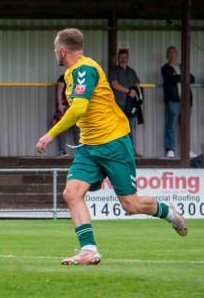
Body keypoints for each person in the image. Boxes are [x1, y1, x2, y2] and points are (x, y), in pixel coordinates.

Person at [35, 28, 188, 266]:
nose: (54, 51)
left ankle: (167, 211)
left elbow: (77, 109)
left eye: (55, 47)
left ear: (63, 49)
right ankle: (88, 250)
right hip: (89, 146)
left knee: (131, 205)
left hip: (113, 142)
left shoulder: (85, 69)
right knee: (71, 193)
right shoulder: (70, 73)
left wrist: (49, 135)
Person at [108, 47, 143, 158]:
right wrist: (129, 91)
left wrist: (134, 90)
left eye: (125, 57)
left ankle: (129, 150)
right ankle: (121, 151)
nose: (123, 59)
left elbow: (137, 83)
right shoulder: (114, 71)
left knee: (130, 128)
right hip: (119, 103)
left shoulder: (132, 72)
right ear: (118, 59)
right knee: (120, 128)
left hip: (131, 104)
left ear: (128, 59)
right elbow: (114, 84)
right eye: (121, 57)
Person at [161, 46, 195, 158]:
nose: (172, 54)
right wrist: (183, 77)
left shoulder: (182, 67)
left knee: (185, 126)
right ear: (167, 56)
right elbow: (171, 79)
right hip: (173, 101)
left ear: (177, 55)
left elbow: (192, 79)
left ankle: (187, 150)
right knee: (171, 125)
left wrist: (179, 77)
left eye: (174, 52)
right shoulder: (165, 68)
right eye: (169, 53)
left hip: (186, 101)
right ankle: (170, 149)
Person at [53, 74, 80, 156]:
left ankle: (79, 151)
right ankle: (61, 151)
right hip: (66, 107)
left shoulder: (78, 78)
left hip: (76, 106)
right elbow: (59, 93)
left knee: (77, 129)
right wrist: (60, 106)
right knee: (63, 129)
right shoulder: (63, 78)